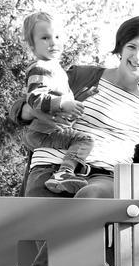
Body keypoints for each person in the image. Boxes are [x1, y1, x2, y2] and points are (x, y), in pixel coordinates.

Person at [12, 15, 139, 201]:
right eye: (131, 46)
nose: (137, 56)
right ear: (121, 49)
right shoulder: (83, 76)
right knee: (43, 224)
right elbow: (22, 105)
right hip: (51, 167)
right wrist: (36, 112)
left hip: (105, 179)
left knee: (91, 197)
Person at [18, 12, 94, 194]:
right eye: (45, 38)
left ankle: (64, 173)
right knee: (84, 140)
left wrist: (83, 97)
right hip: (43, 132)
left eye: (57, 36)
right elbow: (35, 97)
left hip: (48, 129)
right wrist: (62, 103)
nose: (53, 42)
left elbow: (63, 101)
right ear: (32, 45)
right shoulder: (40, 67)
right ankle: (64, 173)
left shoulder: (54, 68)